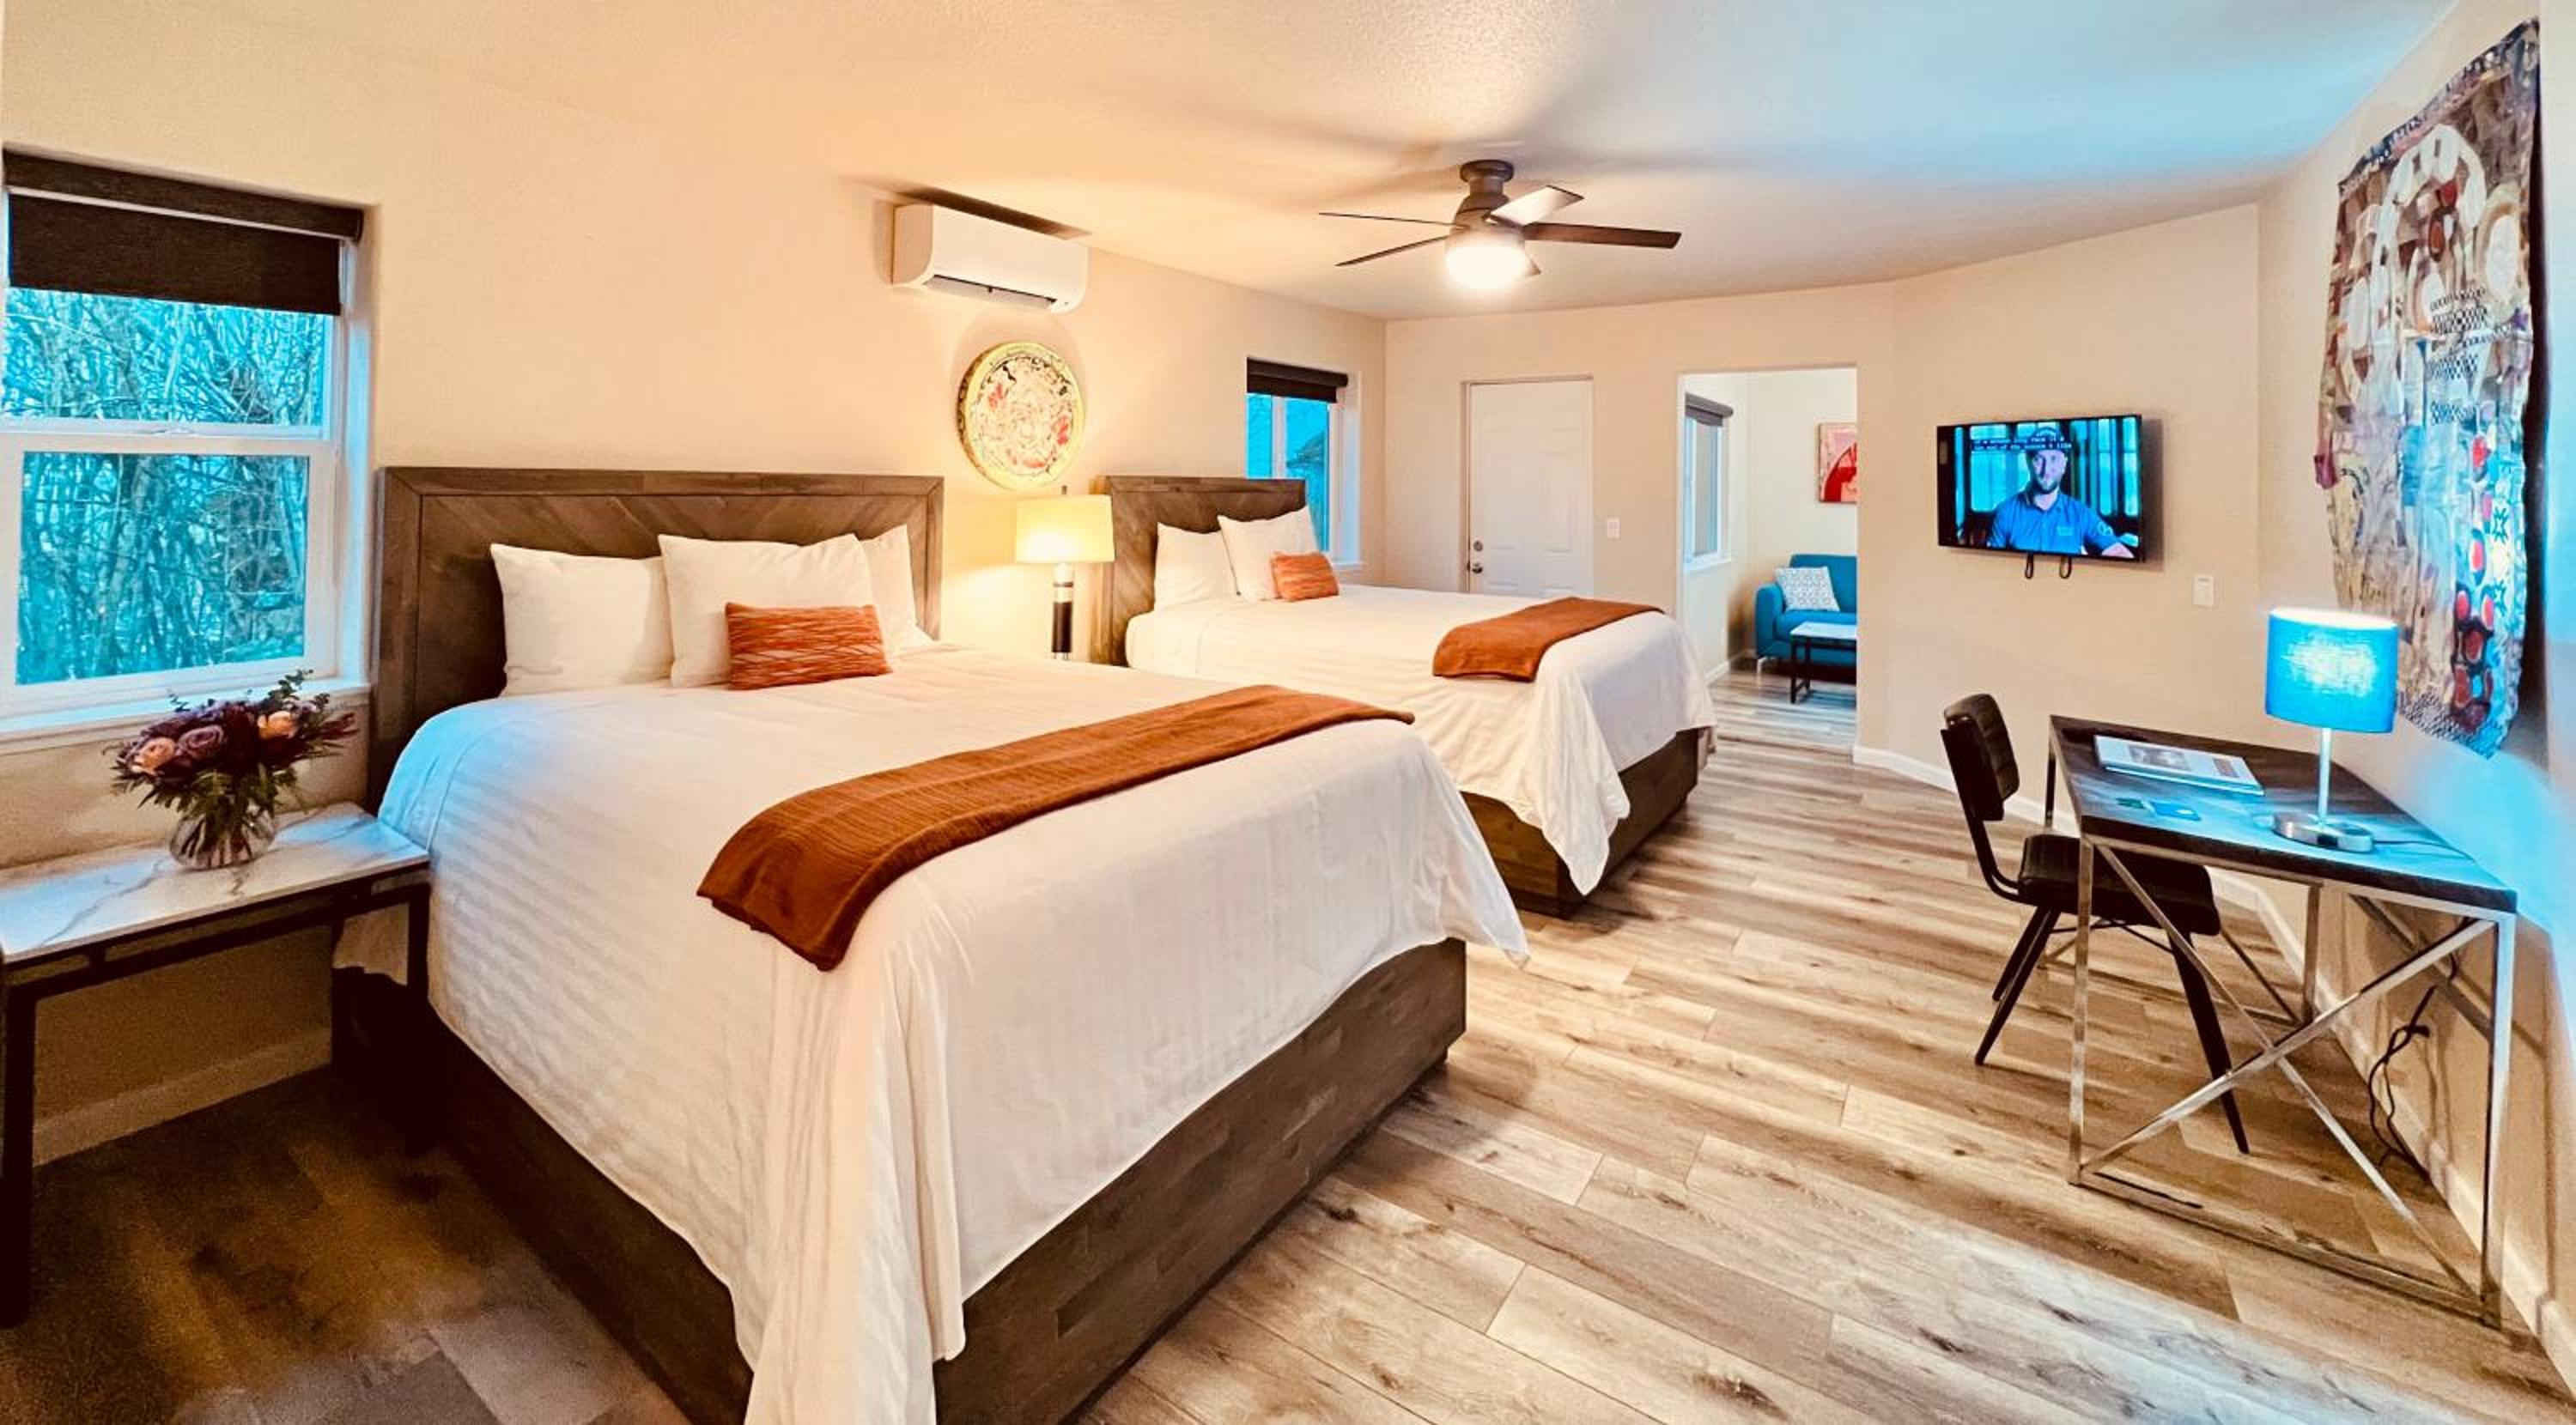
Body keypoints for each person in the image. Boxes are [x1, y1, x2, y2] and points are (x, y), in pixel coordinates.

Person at [1984, 430, 2135, 557]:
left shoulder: (2081, 513)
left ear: (2064, 464)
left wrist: (2089, 566)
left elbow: (2122, 554)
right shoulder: (2005, 512)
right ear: (2028, 462)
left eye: (2054, 459)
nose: (2046, 470)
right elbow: (1991, 565)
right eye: (2039, 459)